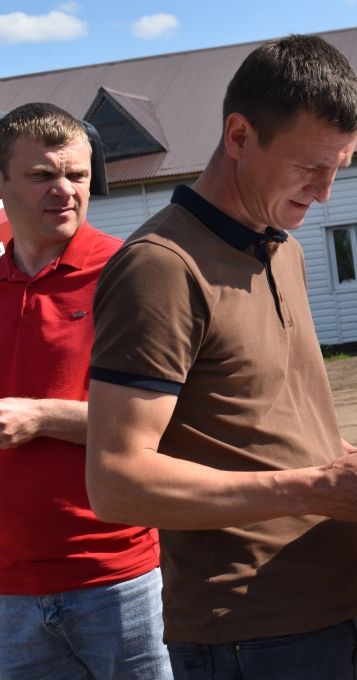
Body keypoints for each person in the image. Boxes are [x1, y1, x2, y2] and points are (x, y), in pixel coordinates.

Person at [85, 35, 357, 679]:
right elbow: (115, 482)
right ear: (240, 136)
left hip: (321, 610)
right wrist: (317, 486)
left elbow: (257, 430)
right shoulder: (161, 267)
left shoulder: (283, 246)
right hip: (244, 634)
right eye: (310, 167)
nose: (326, 192)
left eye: (338, 167)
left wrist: (354, 459)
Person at [0, 103, 172, 678]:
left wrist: (44, 417)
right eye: (42, 175)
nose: (65, 190)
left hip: (116, 577)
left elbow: (172, 425)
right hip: (9, 594)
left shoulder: (130, 273)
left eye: (77, 175)